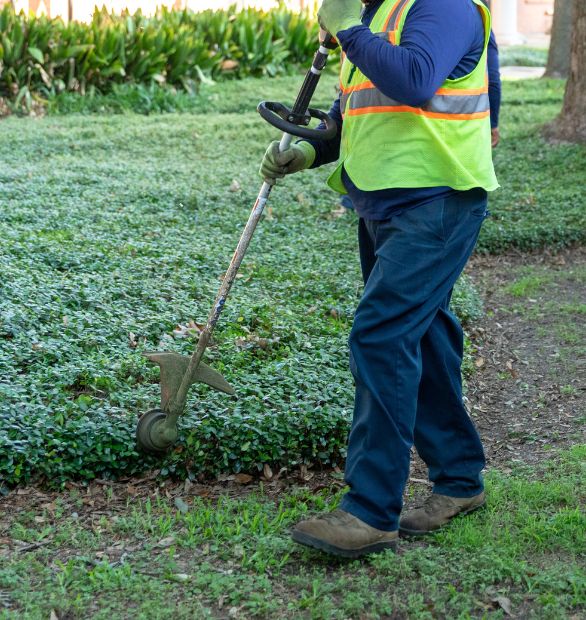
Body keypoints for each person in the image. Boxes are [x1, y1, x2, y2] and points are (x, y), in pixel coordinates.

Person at [260, 0, 499, 558]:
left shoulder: (443, 6)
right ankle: (461, 480)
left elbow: (415, 81)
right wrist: (311, 152)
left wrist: (348, 29)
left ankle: (369, 512)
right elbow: (358, 116)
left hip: (438, 200)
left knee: (383, 333)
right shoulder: (374, 16)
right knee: (422, 332)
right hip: (382, 202)